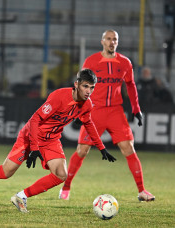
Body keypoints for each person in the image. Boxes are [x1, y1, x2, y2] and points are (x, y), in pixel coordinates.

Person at [0, 69, 116, 213]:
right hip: (30, 135)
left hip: (51, 139)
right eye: (85, 86)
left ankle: (21, 197)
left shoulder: (87, 104)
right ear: (76, 84)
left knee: (60, 174)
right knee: (6, 172)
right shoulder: (59, 97)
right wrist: (35, 148)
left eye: (92, 87)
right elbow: (35, 119)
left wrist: (101, 148)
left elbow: (88, 123)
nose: (89, 91)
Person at [59, 30, 155, 202]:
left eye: (115, 39)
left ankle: (142, 191)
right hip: (94, 111)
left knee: (129, 149)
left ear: (118, 42)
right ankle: (66, 187)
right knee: (82, 150)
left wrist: (136, 109)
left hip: (115, 111)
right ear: (102, 41)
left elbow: (131, 85)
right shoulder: (91, 61)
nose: (112, 42)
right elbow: (81, 86)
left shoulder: (124, 62)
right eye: (109, 39)